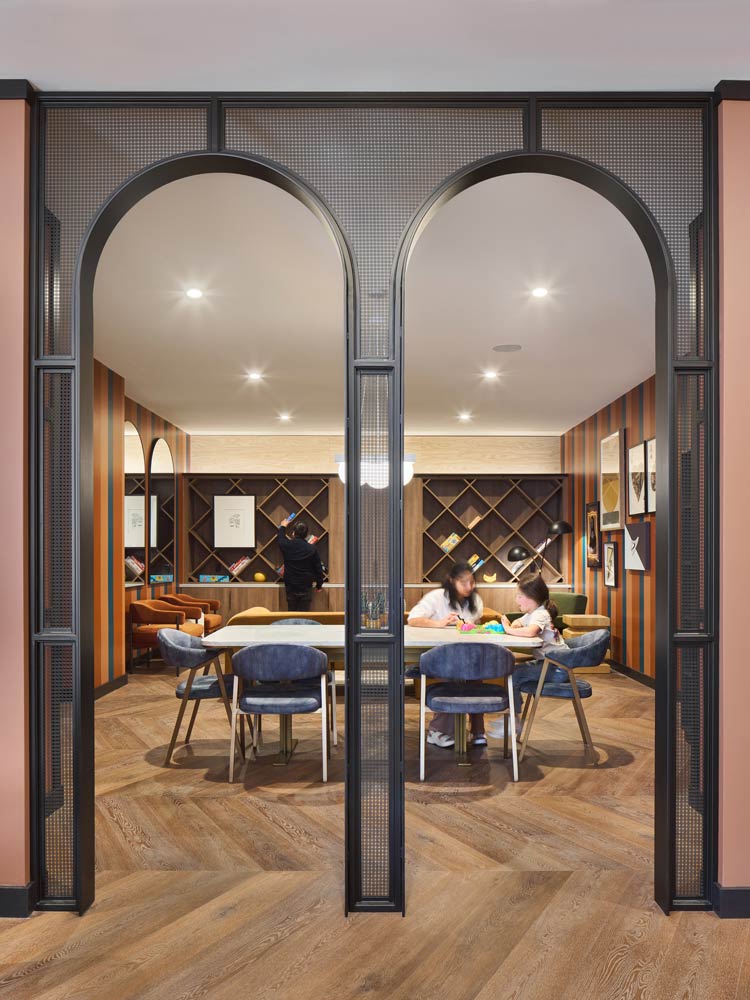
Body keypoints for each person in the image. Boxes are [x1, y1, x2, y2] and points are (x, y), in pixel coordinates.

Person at [407, 561, 486, 748]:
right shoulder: (436, 597)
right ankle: (438, 731)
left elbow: (475, 625)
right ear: (451, 581)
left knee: (476, 678)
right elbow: (413, 619)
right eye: (463, 582)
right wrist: (439, 623)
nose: (469, 587)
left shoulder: (476, 601)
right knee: (454, 679)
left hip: (466, 655)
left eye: (472, 582)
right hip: (438, 656)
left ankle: (477, 731)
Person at [486, 573, 568, 740]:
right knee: (512, 672)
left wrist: (509, 630)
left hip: (557, 668)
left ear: (532, 597)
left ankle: (514, 721)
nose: (516, 600)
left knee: (513, 674)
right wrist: (514, 624)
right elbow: (520, 622)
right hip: (551, 664)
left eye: (520, 596)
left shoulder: (540, 614)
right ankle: (513, 717)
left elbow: (531, 632)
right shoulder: (534, 613)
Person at [278, 516, 325, 612]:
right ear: (306, 534)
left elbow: (280, 538)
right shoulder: (311, 549)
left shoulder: (287, 545)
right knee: (304, 614)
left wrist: (283, 526)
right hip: (306, 585)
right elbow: (318, 568)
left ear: (293, 533)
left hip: (291, 584)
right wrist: (319, 585)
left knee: (291, 613)